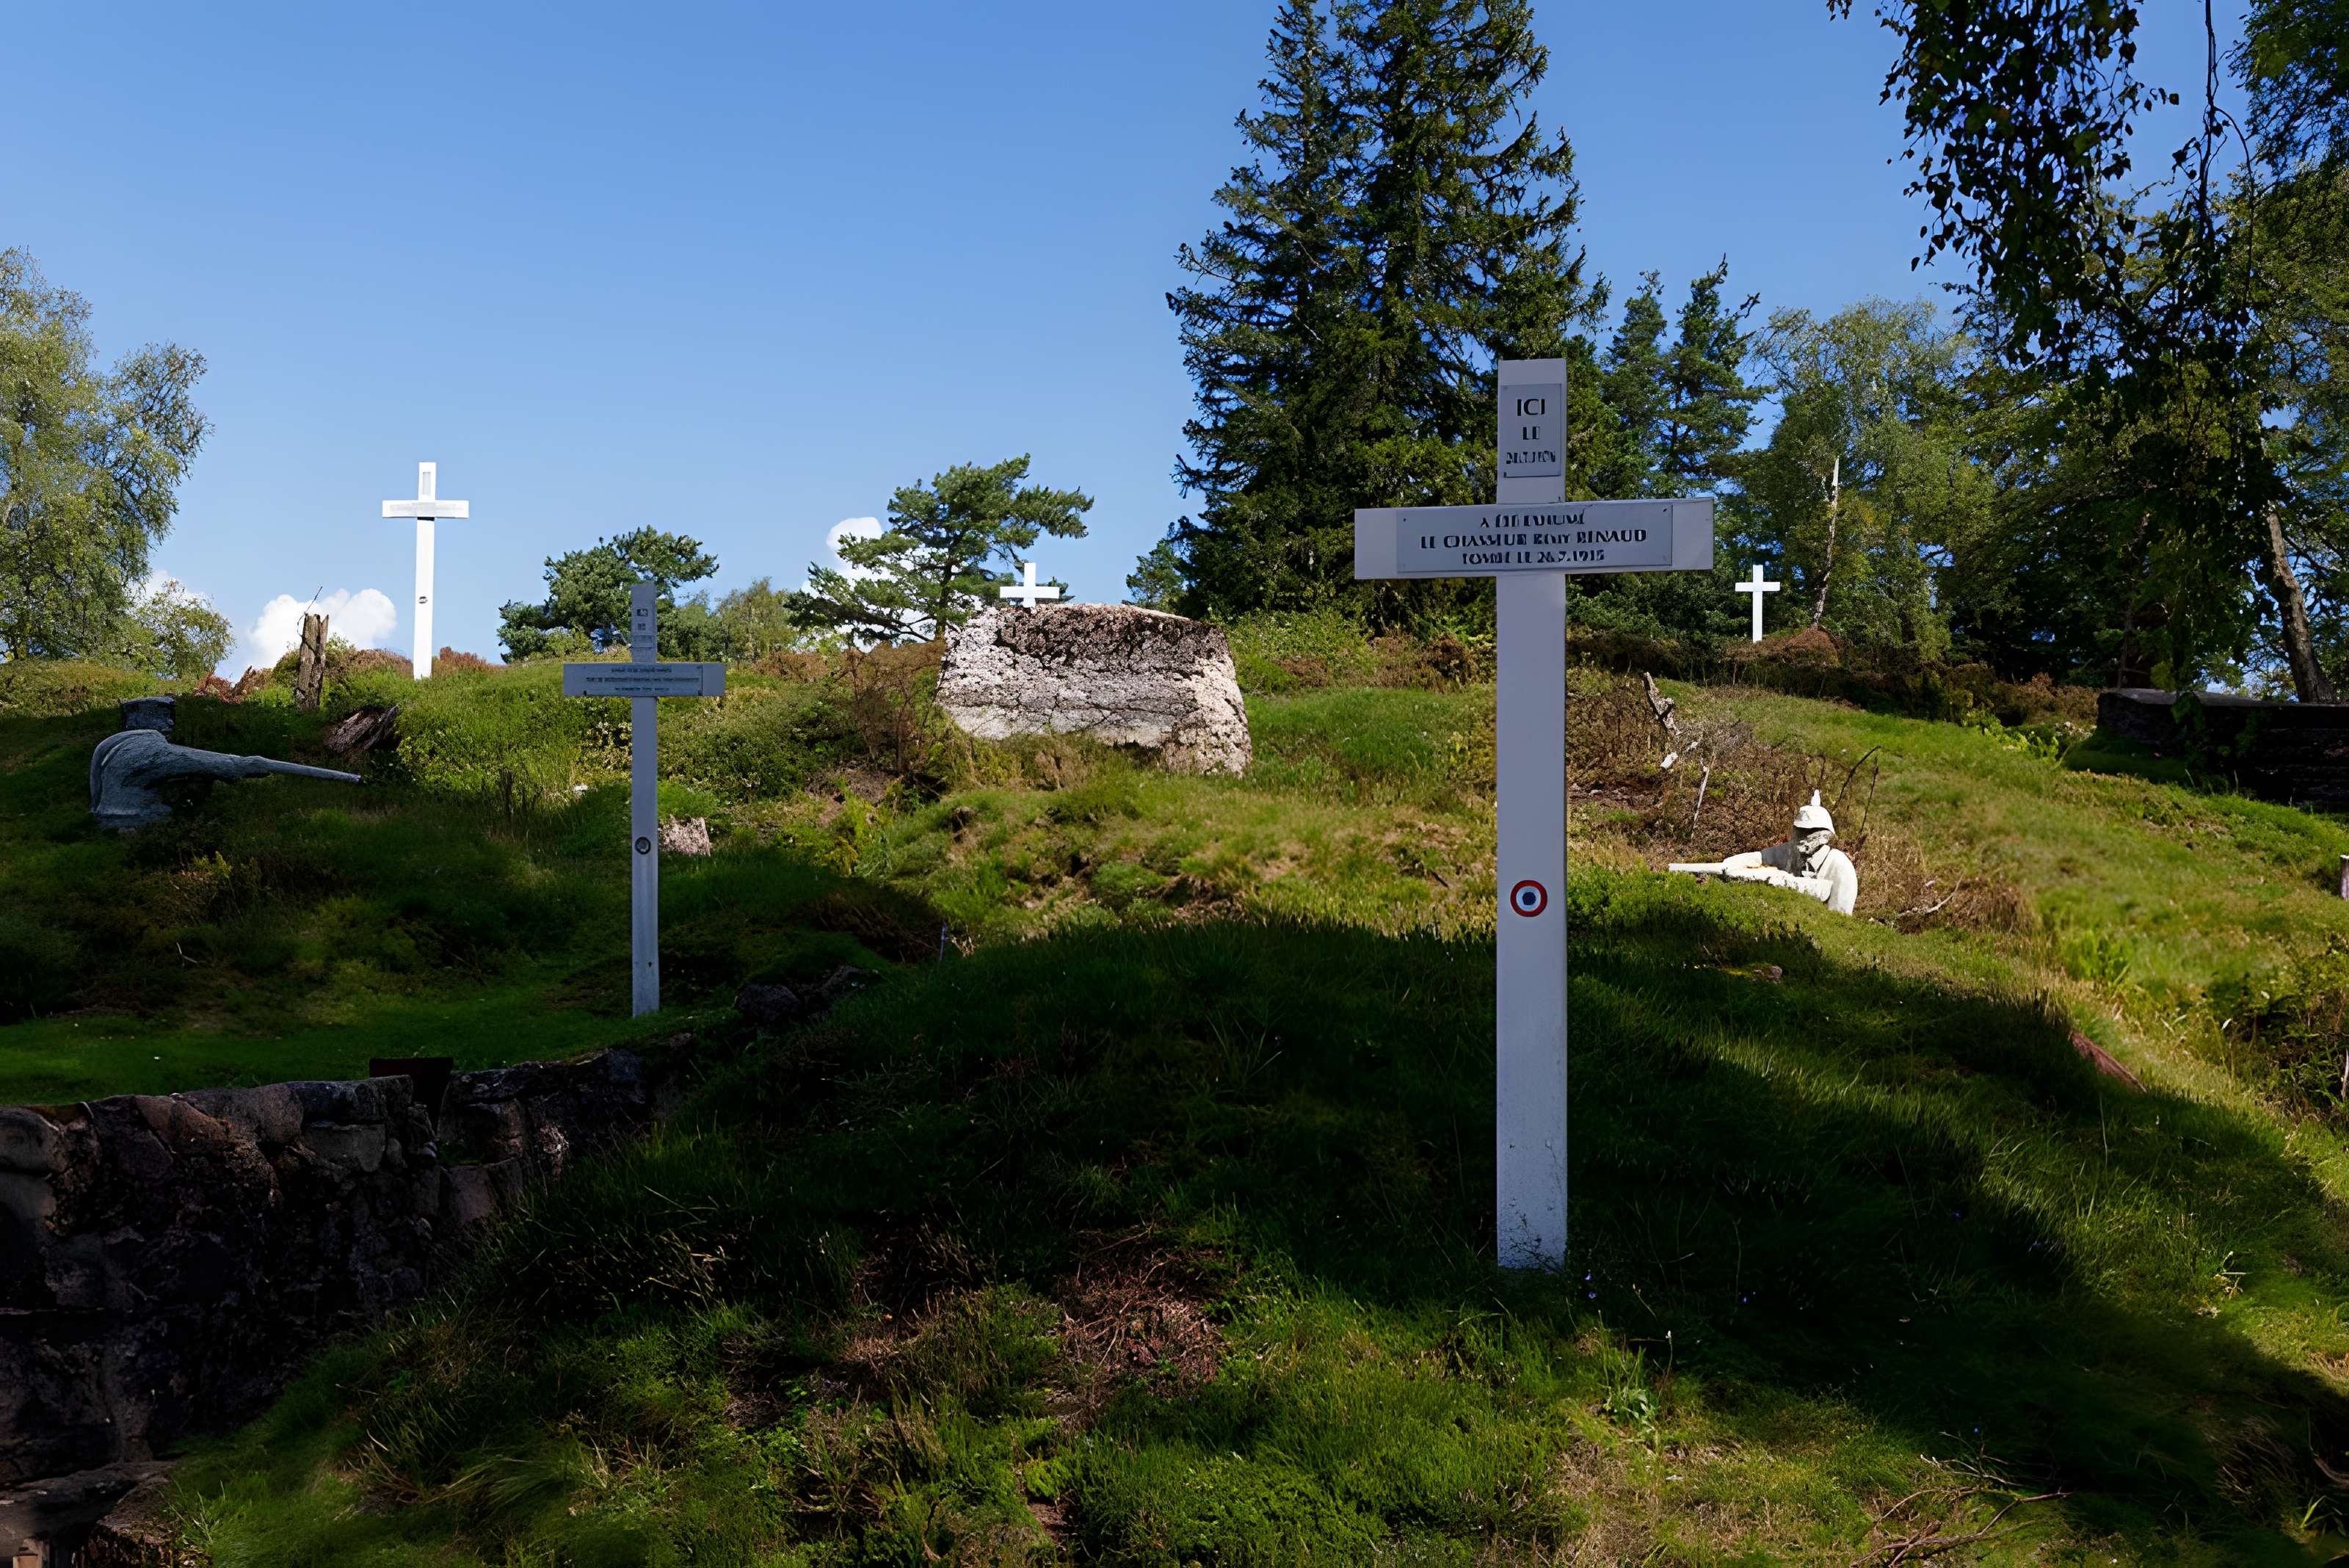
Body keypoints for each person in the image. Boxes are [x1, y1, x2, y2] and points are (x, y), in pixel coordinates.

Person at [1712, 791, 1858, 915]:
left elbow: (1840, 917)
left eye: (1810, 832)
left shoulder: (1840, 867)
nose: (1802, 837)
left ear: (1825, 835)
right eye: (1799, 830)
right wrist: (1725, 867)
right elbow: (1758, 858)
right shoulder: (1789, 851)